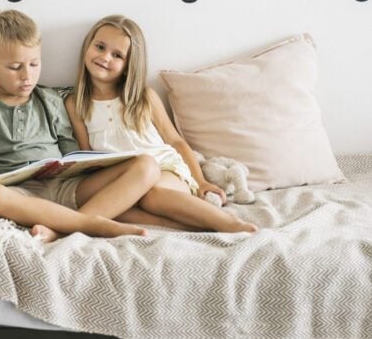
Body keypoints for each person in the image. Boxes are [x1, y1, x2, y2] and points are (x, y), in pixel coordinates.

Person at [0, 9, 163, 241]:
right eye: (15, 67)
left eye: (34, 64)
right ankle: (92, 225)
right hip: (20, 193)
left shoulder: (52, 100)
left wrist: (81, 165)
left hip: (65, 185)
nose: (27, 76)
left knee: (147, 166)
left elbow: (71, 152)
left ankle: (64, 229)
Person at [64, 15, 258, 235]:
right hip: (121, 176)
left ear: (129, 65)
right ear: (87, 46)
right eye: (99, 47)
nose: (104, 57)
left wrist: (201, 181)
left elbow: (174, 140)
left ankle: (228, 223)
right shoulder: (75, 103)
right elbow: (87, 154)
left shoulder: (143, 97)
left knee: (150, 195)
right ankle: (179, 226)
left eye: (117, 55)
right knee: (113, 202)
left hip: (165, 170)